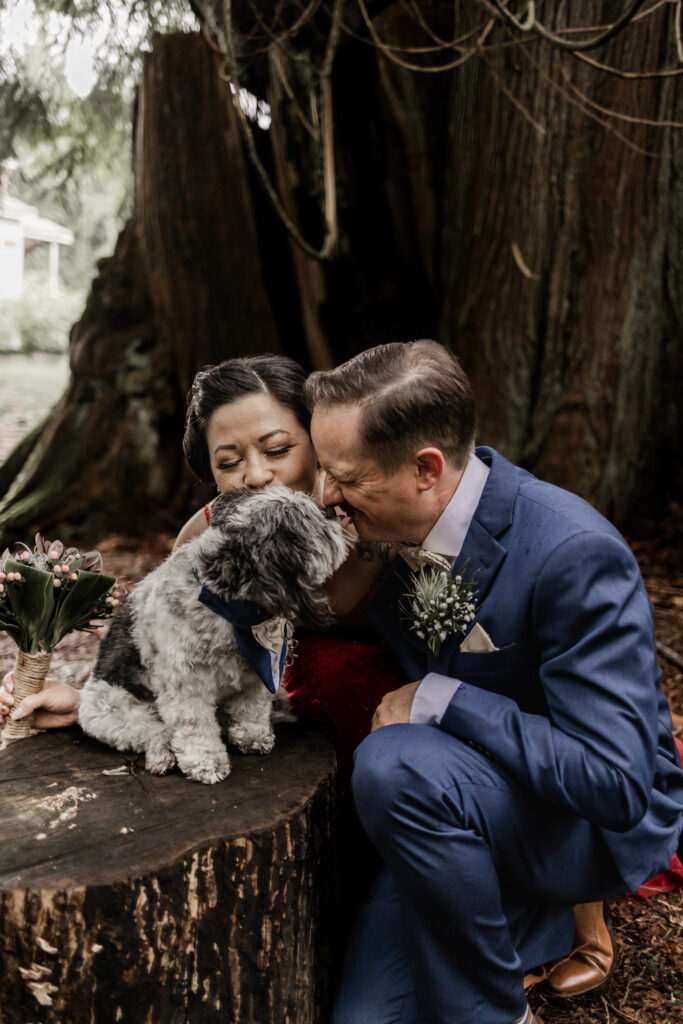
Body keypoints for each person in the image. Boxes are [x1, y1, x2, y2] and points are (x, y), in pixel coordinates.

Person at [303, 340, 683, 1024]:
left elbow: (616, 782)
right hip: (452, 807)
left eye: (344, 476)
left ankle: (489, 1013)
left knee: (394, 764)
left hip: (576, 822)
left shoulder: (572, 552)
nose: (328, 495)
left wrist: (443, 699)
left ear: (425, 469)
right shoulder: (383, 532)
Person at [0, 353, 400, 765]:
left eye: (278, 449)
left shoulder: (377, 512)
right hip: (270, 733)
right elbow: (170, 659)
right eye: (229, 462)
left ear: (318, 442)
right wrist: (87, 702)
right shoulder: (202, 540)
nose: (256, 475)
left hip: (386, 719)